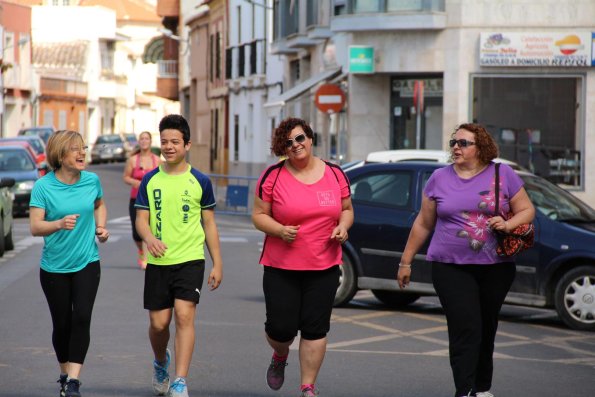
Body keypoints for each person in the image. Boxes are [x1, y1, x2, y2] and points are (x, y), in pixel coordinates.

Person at [397, 123, 535, 397]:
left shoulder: (502, 173)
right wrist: (405, 261)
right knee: (465, 326)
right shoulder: (439, 177)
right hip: (450, 266)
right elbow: (424, 223)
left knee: (486, 326)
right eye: (453, 143)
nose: (456, 148)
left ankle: (482, 387)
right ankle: (465, 390)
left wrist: (508, 226)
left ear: (480, 147)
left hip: (496, 267)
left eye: (463, 143)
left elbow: (527, 210)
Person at [252, 117, 354, 397]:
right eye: (288, 143)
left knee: (315, 329)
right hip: (281, 266)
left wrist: (343, 227)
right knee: (280, 329)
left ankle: (308, 387)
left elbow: (346, 208)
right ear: (282, 148)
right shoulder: (272, 176)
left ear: (309, 139)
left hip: (324, 264)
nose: (295, 145)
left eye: (299, 138)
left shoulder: (335, 173)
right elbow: (258, 216)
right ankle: (280, 354)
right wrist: (280, 230)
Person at [135, 114, 223, 397]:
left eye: (175, 141)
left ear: (187, 144)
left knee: (185, 316)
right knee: (158, 324)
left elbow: (209, 224)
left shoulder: (200, 181)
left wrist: (217, 264)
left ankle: (180, 380)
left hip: (190, 259)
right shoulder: (149, 180)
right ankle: (161, 361)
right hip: (159, 262)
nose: (169, 147)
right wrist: (149, 239)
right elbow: (141, 219)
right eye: (165, 142)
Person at [29, 130, 110, 397]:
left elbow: (99, 205)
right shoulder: (44, 186)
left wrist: (101, 226)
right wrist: (58, 224)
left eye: (83, 148)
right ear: (60, 155)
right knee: (62, 324)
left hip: (87, 261)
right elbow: (35, 227)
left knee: (82, 318)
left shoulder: (91, 180)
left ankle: (74, 382)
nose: (82, 153)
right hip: (54, 267)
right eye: (75, 149)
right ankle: (64, 373)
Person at [122, 131, 160, 269]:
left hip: (152, 200)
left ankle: (146, 257)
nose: (144, 141)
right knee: (136, 233)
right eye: (142, 138)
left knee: (149, 228)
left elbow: (163, 177)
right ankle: (141, 250)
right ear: (139, 141)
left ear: (150, 141)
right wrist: (134, 182)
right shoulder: (133, 160)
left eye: (146, 139)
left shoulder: (157, 160)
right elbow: (125, 177)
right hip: (136, 199)